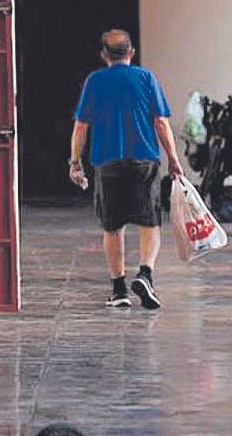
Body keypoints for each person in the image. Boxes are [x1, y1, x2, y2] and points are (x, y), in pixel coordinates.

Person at [68, 29, 186, 309]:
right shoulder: (146, 78)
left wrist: (75, 162)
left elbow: (81, 126)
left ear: (104, 55)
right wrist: (174, 159)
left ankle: (119, 290)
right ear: (131, 53)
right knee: (150, 222)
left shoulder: (94, 81)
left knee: (112, 227)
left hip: (107, 161)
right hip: (144, 160)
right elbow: (161, 122)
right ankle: (145, 274)